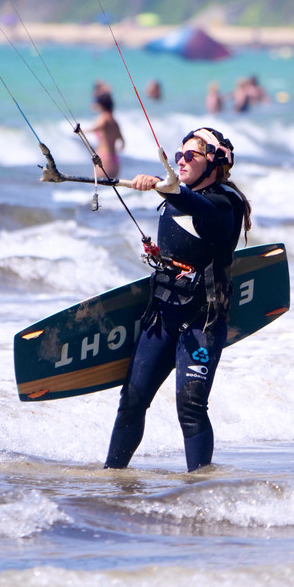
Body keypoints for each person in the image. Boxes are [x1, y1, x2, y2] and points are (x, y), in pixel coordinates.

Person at [104, 127, 252, 472]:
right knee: (132, 401)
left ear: (213, 162)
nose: (182, 160)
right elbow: (181, 196)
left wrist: (167, 187)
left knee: (190, 405)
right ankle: (111, 477)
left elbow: (195, 204)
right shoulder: (174, 195)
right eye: (179, 155)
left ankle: (200, 488)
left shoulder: (223, 204)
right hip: (162, 316)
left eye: (192, 155)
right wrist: (161, 185)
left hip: (203, 322)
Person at [89, 92, 124, 179]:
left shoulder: (103, 117)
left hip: (104, 159)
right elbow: (122, 141)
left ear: (101, 104)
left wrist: (82, 131)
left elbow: (97, 127)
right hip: (114, 159)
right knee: (111, 188)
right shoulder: (114, 121)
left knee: (100, 186)